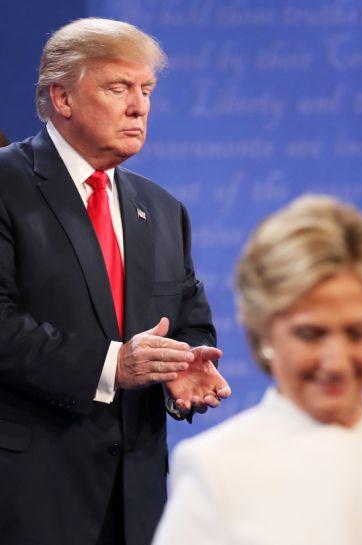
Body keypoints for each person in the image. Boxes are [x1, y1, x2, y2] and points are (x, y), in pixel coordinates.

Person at [0, 17, 231, 545]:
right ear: (63, 98)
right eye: (118, 88)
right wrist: (111, 366)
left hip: (138, 500)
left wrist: (185, 368)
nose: (140, 106)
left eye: (146, 90)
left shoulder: (162, 208)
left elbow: (191, 322)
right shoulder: (7, 185)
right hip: (29, 496)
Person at [153, 195, 362, 545]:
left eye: (358, 333)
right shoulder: (216, 470)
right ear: (264, 331)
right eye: (310, 334)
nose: (336, 362)